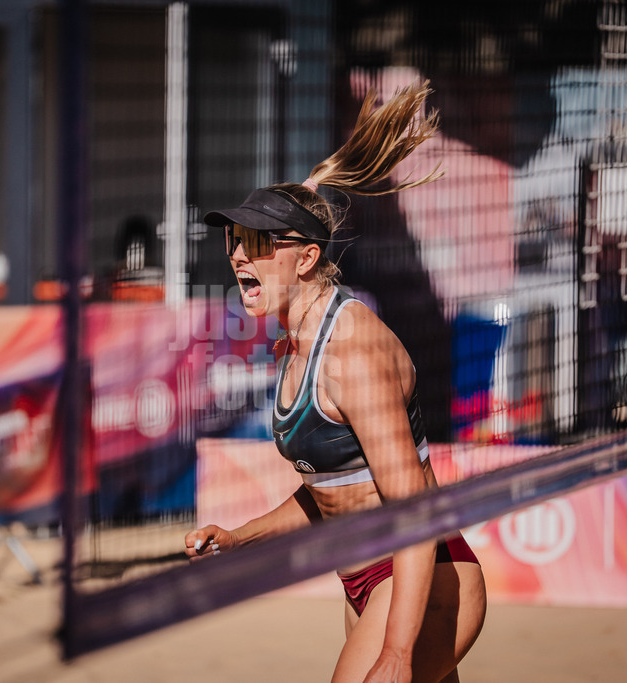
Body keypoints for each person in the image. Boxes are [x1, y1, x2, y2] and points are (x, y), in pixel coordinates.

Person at [184, 82, 486, 683]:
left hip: (418, 576)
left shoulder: (353, 353)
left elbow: (414, 509)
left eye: (259, 243)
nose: (240, 256)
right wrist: (241, 537)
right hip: (366, 581)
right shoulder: (297, 346)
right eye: (235, 241)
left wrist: (397, 653)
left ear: (307, 258)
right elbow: (333, 490)